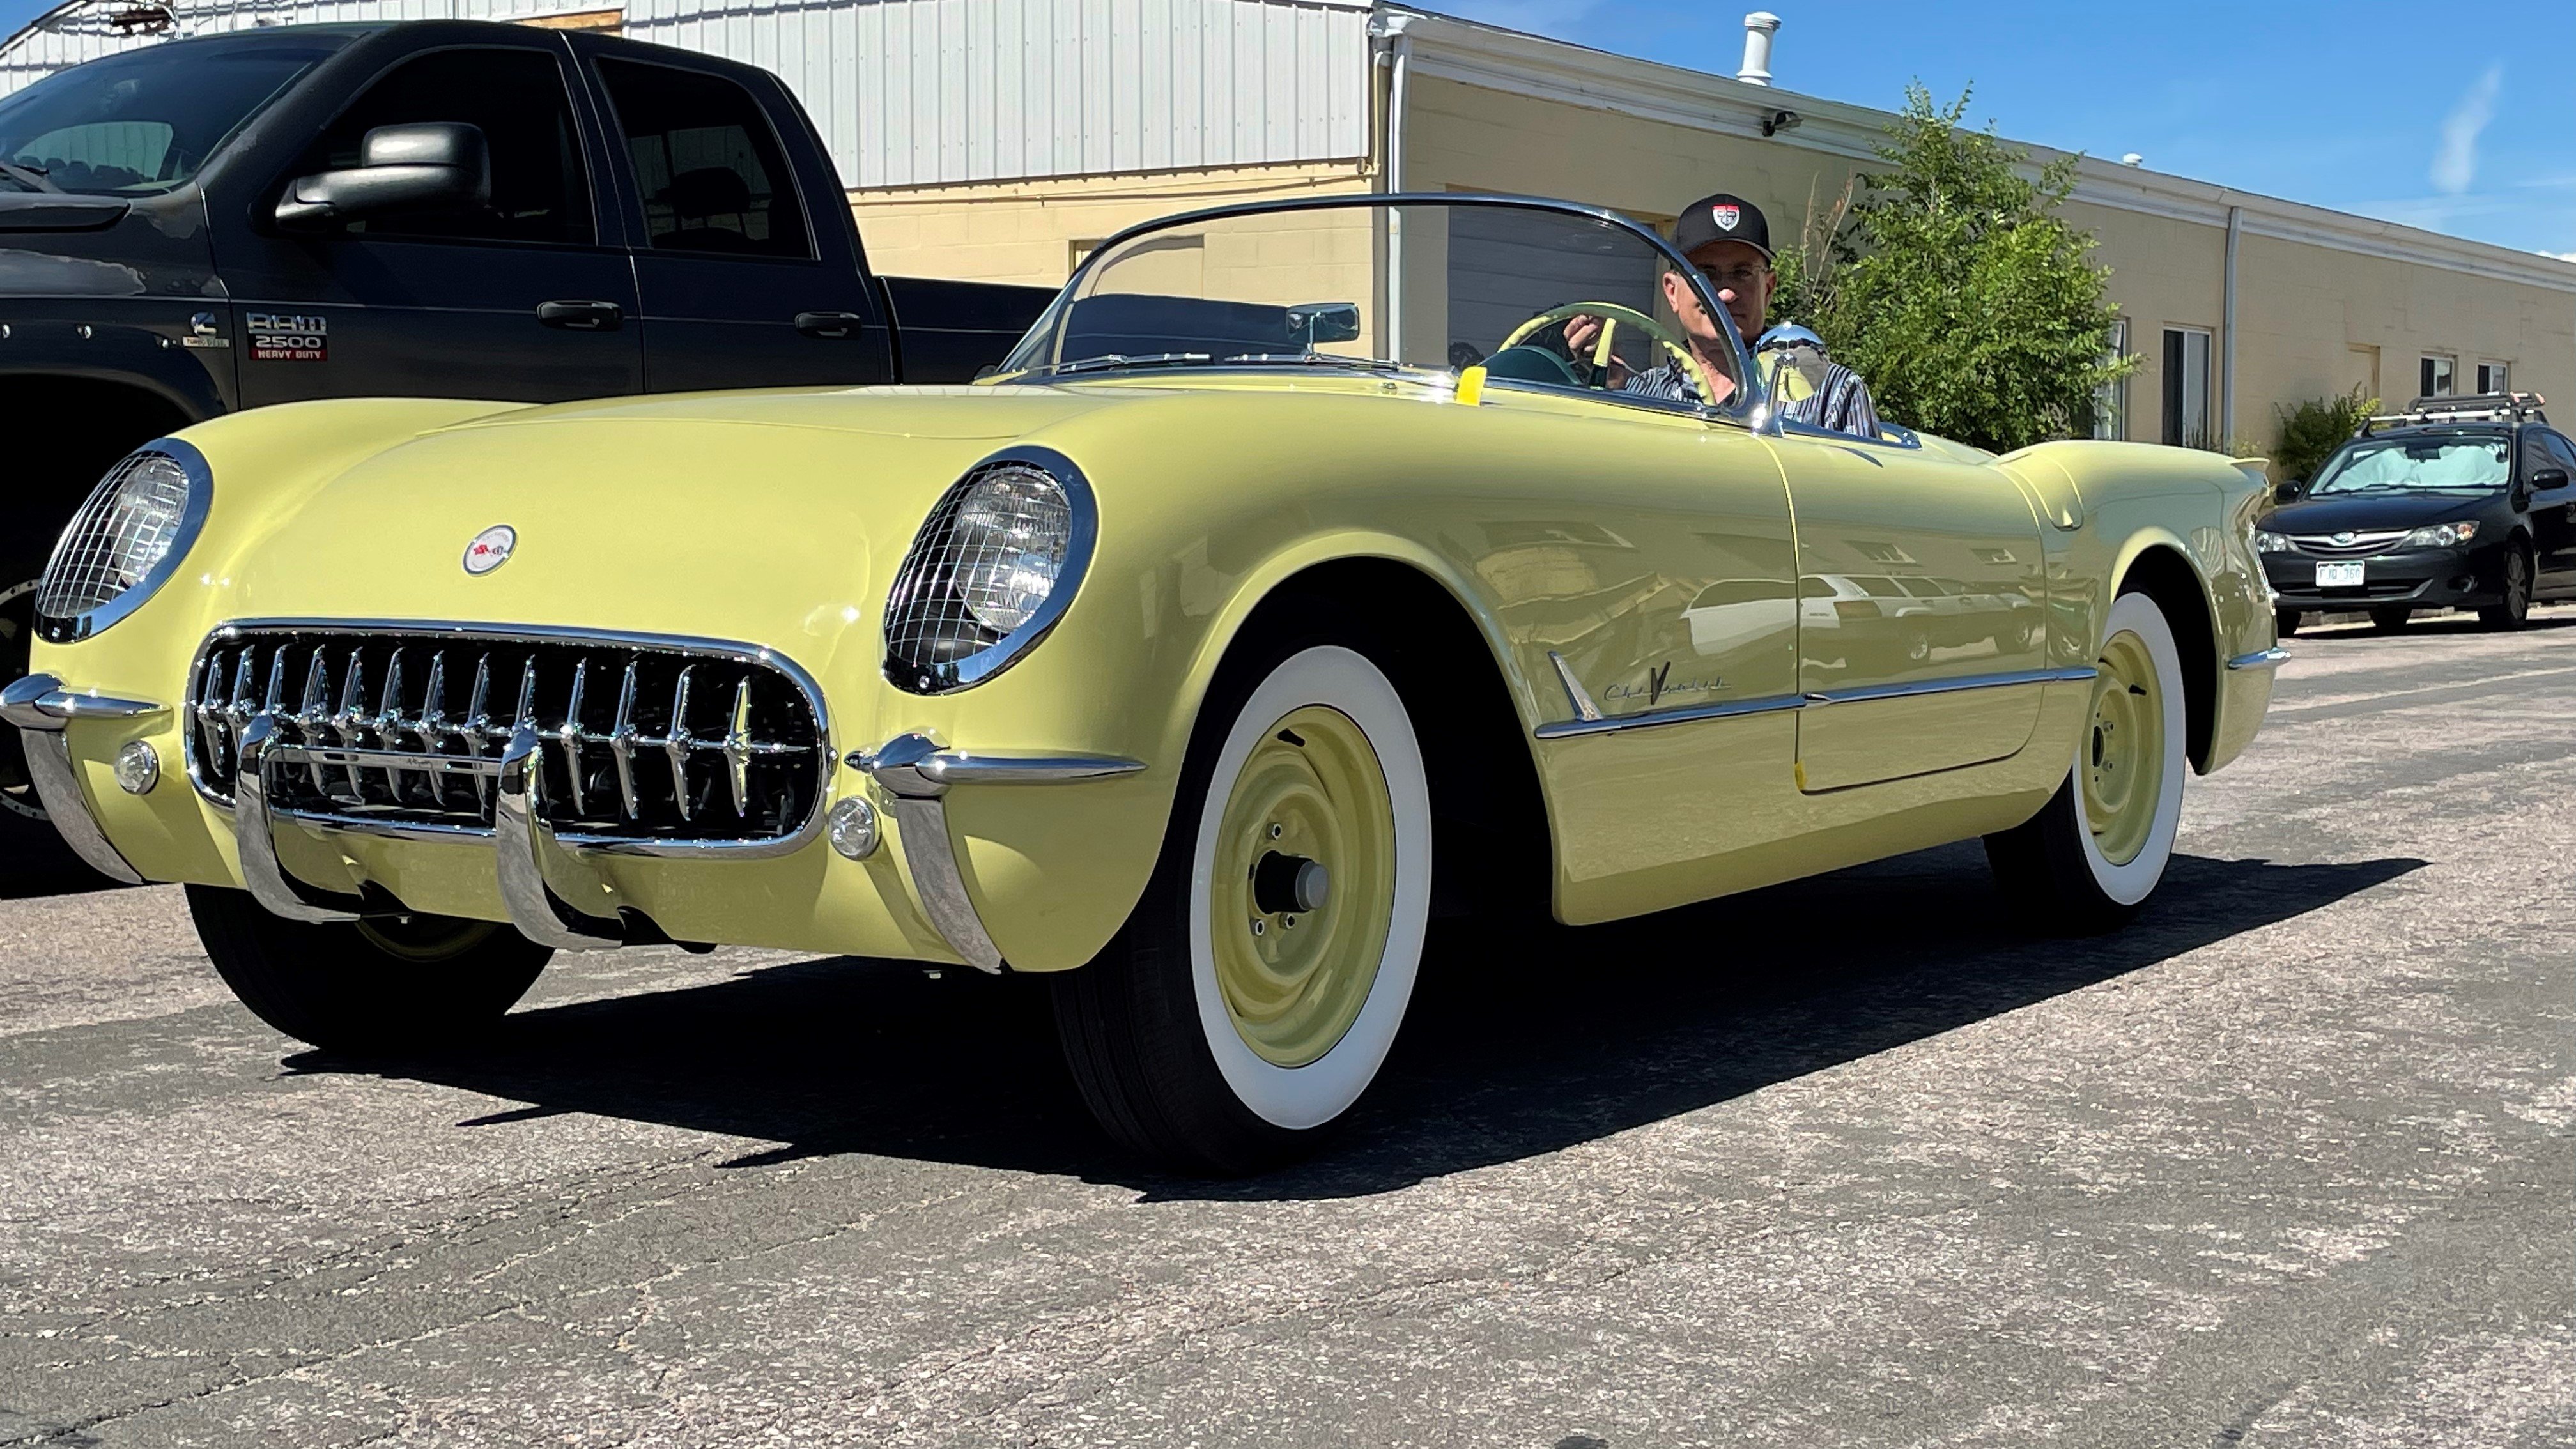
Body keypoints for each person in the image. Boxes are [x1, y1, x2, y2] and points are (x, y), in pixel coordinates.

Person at [1573, 192, 1881, 438]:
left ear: (1769, 288)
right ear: (1671, 291)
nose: (1725, 294)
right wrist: (1602, 372)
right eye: (1705, 275)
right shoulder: (1643, 393)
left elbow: (1866, 504)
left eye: (1743, 274)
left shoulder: (1832, 392)